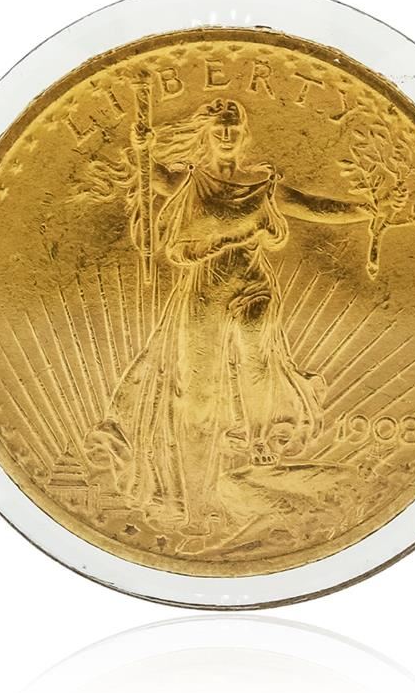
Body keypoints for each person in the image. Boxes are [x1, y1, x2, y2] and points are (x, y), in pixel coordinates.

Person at [85, 97, 370, 534]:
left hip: (252, 284)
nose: (225, 135)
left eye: (233, 129)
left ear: (244, 134)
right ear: (206, 133)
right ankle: (195, 504)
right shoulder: (190, 180)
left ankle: (258, 438)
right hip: (203, 292)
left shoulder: (262, 185)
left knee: (256, 351)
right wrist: (142, 146)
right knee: (196, 397)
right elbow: (150, 174)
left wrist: (366, 211)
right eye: (219, 127)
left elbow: (312, 205)